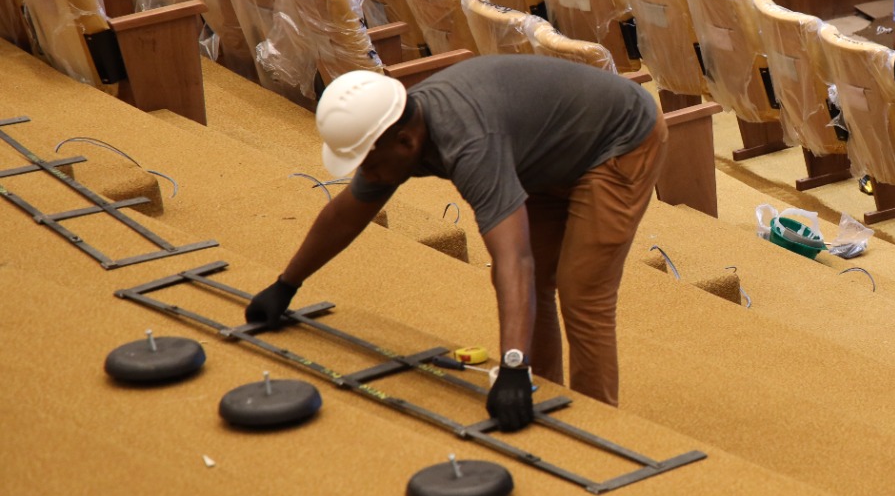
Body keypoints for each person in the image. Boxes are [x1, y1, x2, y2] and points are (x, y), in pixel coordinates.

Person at [244, 56, 667, 426]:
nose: (367, 175)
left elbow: (513, 259)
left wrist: (512, 366)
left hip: (618, 140)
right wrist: (286, 284)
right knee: (537, 282)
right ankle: (544, 395)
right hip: (545, 151)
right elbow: (347, 212)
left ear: (407, 142)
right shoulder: (397, 133)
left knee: (582, 291)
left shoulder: (469, 143)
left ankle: (600, 423)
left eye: (367, 164)